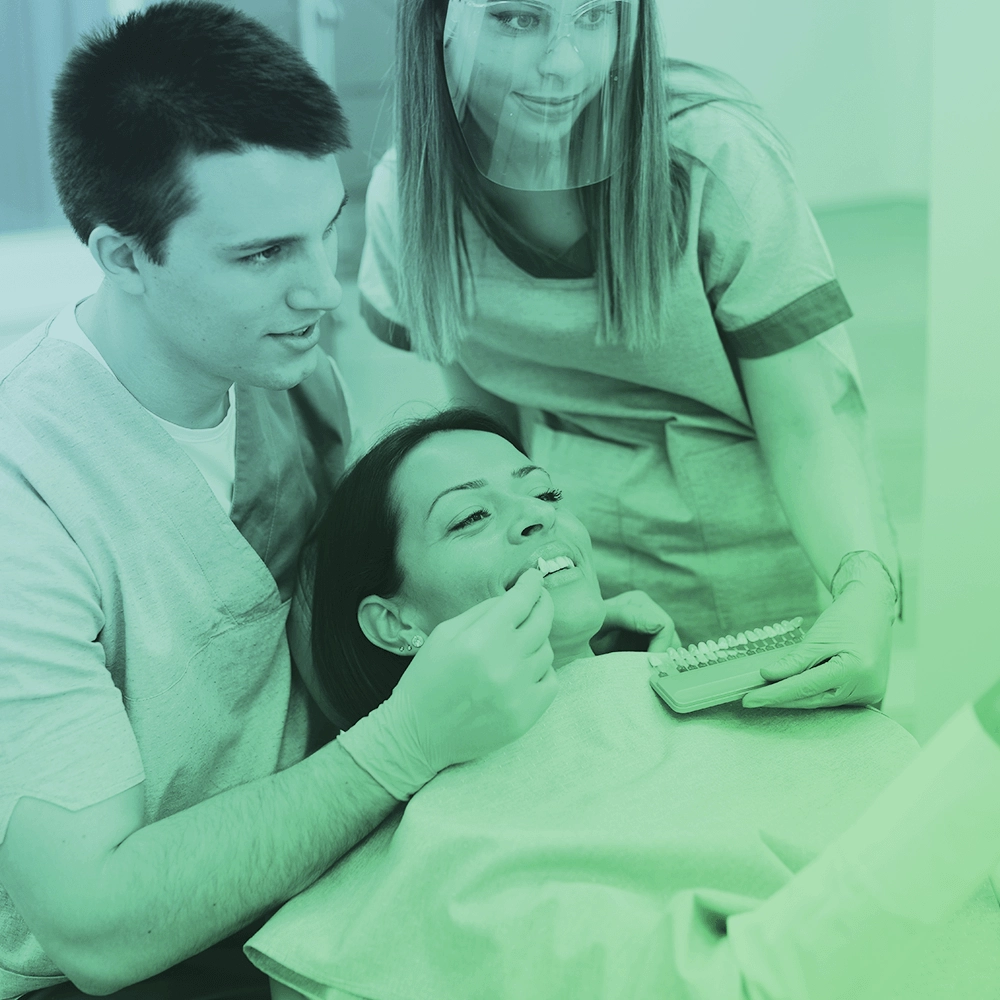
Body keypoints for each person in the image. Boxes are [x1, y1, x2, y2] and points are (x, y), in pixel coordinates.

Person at [0, 6, 564, 997]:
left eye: (326, 233)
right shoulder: (28, 494)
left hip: (315, 879)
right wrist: (406, 743)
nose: (323, 293)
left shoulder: (284, 379)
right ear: (124, 256)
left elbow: (348, 618)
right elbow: (93, 924)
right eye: (263, 255)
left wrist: (561, 621)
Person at [244, 410, 1000, 1000]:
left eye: (545, 493)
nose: (538, 517)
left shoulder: (728, 693)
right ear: (396, 623)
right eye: (470, 517)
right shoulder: (445, 848)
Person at [358, 0, 902, 710]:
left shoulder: (712, 157)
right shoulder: (406, 202)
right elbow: (487, 437)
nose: (562, 63)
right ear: (439, 24)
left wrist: (864, 587)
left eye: (593, 16)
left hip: (751, 541)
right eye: (517, 19)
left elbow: (807, 423)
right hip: (563, 549)